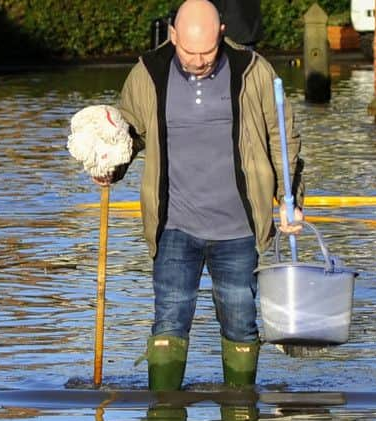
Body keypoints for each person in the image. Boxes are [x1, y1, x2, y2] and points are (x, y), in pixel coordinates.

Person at [94, 0, 304, 391]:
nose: (199, 61)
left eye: (207, 51)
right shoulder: (148, 73)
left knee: (241, 323)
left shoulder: (253, 71)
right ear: (173, 35)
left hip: (239, 229)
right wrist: (109, 167)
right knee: (169, 320)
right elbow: (126, 133)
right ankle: (164, 407)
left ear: (222, 32)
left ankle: (241, 406)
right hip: (174, 225)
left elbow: (282, 139)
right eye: (189, 52)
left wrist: (290, 201)